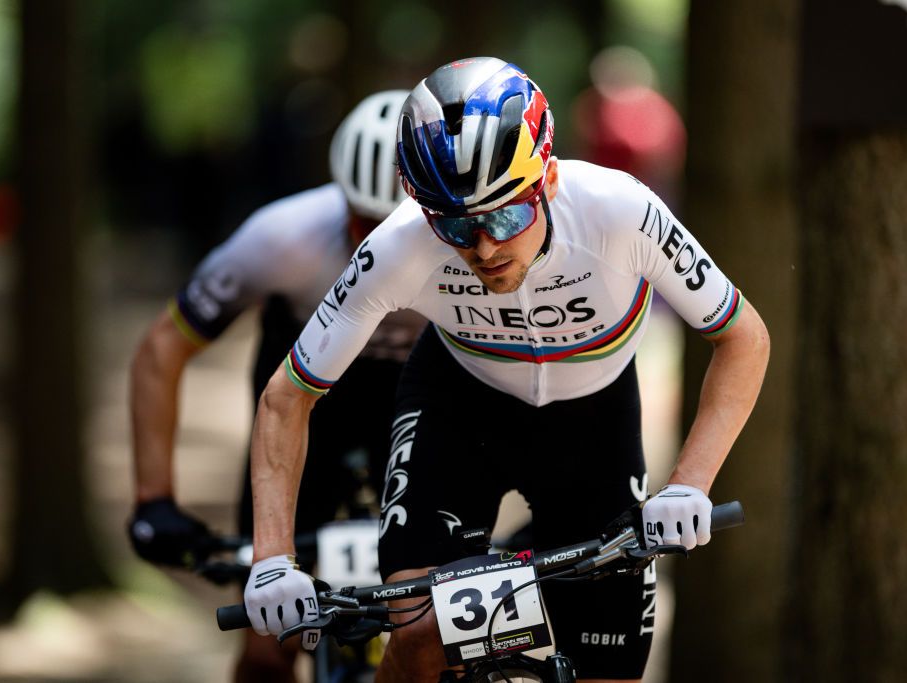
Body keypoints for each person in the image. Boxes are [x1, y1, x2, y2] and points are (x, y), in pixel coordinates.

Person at [242, 57, 770, 683]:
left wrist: (690, 483)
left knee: (612, 669)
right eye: (457, 226)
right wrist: (272, 558)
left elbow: (743, 337)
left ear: (546, 177)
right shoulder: (399, 245)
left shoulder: (619, 212)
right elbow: (287, 396)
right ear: (421, 205)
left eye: (504, 216)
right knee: (420, 634)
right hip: (459, 412)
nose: (484, 248)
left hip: (594, 428)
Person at [126, 90, 425, 682]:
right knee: (268, 650)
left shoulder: (474, 251)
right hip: (305, 419)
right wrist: (153, 499)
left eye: (398, 227)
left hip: (418, 413)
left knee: (429, 634)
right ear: (338, 196)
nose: (376, 244)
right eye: (362, 222)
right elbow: (163, 347)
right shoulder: (282, 237)